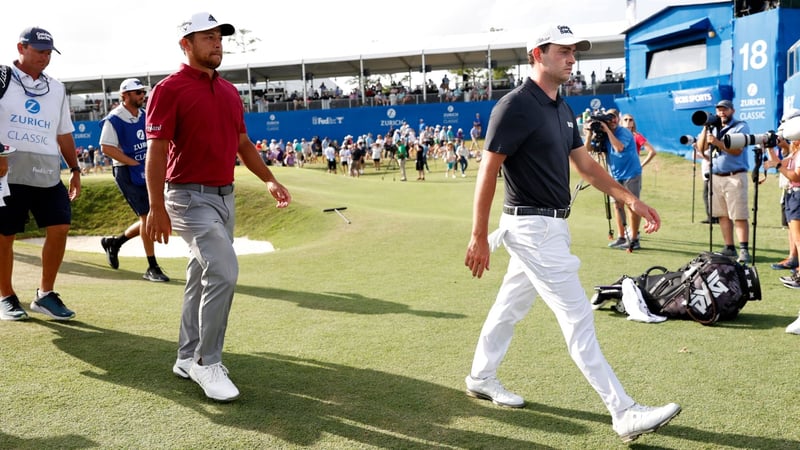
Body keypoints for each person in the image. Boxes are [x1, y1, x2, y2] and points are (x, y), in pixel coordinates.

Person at [463, 24, 680, 443]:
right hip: (531, 228)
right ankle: (623, 411)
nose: (572, 58)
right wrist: (477, 235)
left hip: (551, 226)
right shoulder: (514, 106)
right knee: (579, 317)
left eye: (574, 52)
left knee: (508, 307)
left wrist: (629, 199)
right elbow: (487, 171)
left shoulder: (561, 107)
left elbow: (586, 167)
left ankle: (480, 375)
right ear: (537, 55)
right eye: (563, 51)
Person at [144, 12, 291, 402]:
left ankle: (185, 356)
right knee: (224, 270)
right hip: (188, 198)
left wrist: (269, 179)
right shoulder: (168, 89)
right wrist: (155, 205)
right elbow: (157, 150)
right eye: (207, 37)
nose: (216, 43)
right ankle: (207, 363)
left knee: (200, 276)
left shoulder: (228, 91)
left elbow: (242, 143)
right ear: (186, 45)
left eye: (219, 37)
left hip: (225, 198)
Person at [0, 27, 81, 321]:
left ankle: (45, 294)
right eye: (39, 51)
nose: (45, 57)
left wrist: (75, 169)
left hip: (47, 172)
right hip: (7, 173)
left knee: (60, 226)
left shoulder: (56, 88)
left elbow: (64, 133)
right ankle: (6, 296)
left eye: (49, 52)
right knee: (4, 235)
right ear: (21, 47)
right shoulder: (2, 77)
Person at [98, 78, 169, 282]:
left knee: (153, 216)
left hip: (146, 169)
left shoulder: (145, 115)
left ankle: (116, 242)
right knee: (148, 216)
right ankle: (152, 266)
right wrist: (133, 163)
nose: (142, 96)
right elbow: (106, 148)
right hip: (127, 172)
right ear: (125, 96)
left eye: (142, 92)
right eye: (137, 93)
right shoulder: (114, 119)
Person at [695, 99, 751, 263]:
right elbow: (701, 147)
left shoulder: (740, 126)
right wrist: (706, 128)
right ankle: (729, 247)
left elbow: (737, 150)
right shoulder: (712, 127)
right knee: (722, 215)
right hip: (716, 176)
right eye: (719, 110)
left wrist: (718, 143)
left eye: (725, 110)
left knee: (739, 214)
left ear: (732, 111)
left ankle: (744, 249)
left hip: (734, 176)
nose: (721, 113)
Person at [585, 109, 644, 250]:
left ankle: (634, 239)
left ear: (618, 119)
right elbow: (589, 150)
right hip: (615, 175)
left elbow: (619, 147)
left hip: (631, 174)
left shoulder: (624, 132)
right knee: (617, 206)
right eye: (608, 119)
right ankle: (621, 236)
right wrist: (589, 134)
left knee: (632, 206)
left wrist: (607, 130)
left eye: (613, 118)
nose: (611, 121)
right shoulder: (604, 134)